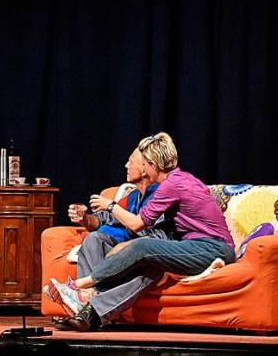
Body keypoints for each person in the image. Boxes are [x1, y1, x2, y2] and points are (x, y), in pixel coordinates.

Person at [51, 132, 235, 331]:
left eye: (145, 164)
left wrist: (111, 206)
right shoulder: (173, 182)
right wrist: (90, 217)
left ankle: (80, 287)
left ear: (153, 165)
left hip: (213, 248)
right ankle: (86, 309)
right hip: (195, 246)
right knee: (98, 240)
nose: (144, 169)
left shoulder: (172, 185)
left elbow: (138, 224)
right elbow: (120, 220)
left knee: (143, 248)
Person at [46, 147, 172, 328]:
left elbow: (155, 236)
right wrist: (85, 218)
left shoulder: (161, 196)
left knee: (150, 268)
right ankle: (83, 306)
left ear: (145, 168)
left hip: (152, 255)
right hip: (125, 252)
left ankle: (91, 311)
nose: (126, 165)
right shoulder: (133, 196)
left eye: (131, 162)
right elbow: (104, 220)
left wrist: (114, 211)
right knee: (94, 239)